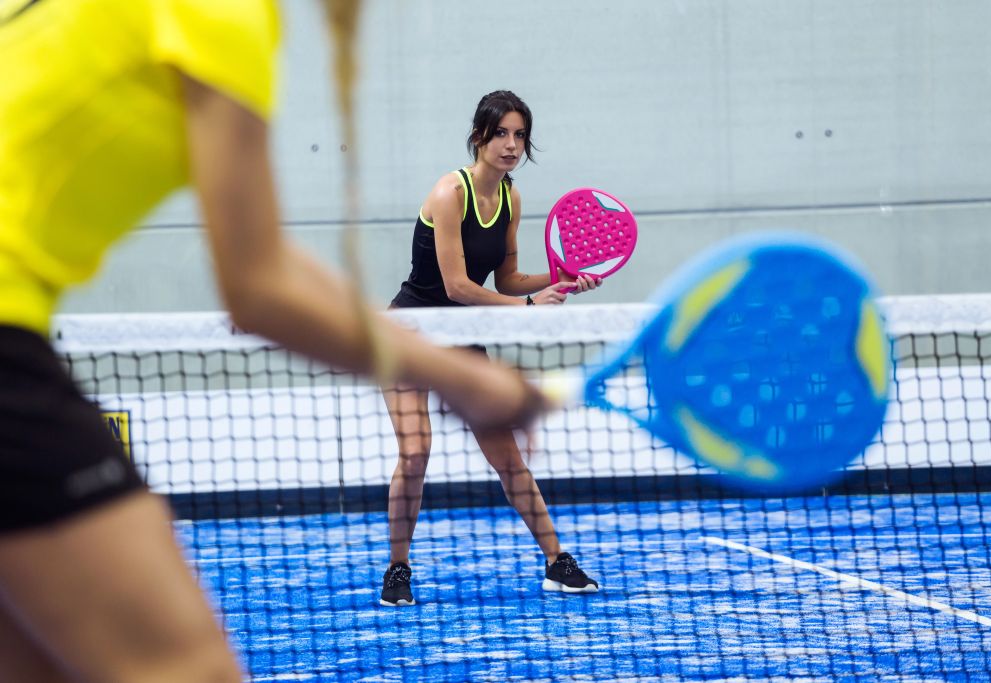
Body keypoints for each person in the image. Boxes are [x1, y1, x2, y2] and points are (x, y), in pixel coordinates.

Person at [0, 2, 547, 681]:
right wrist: (461, 378)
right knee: (191, 667)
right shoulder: (218, 15)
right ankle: (400, 563)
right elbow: (259, 287)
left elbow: (271, 262)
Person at [381, 90, 601, 607]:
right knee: (415, 454)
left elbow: (508, 277)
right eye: (500, 133)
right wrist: (527, 308)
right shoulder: (447, 193)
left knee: (508, 459)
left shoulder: (511, 198)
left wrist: (563, 277)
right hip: (410, 334)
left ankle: (556, 562)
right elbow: (457, 285)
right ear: (479, 136)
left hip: (464, 340)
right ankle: (397, 569)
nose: (511, 144)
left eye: (519, 135)